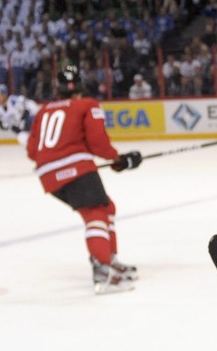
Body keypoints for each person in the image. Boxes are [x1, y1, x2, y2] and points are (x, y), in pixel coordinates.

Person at [25, 64, 144, 294]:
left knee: (106, 207)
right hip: (74, 168)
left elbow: (32, 151)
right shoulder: (87, 105)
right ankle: (102, 271)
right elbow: (98, 142)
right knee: (96, 212)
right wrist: (118, 159)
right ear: (80, 86)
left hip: (48, 176)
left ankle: (110, 261)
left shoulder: (43, 111)